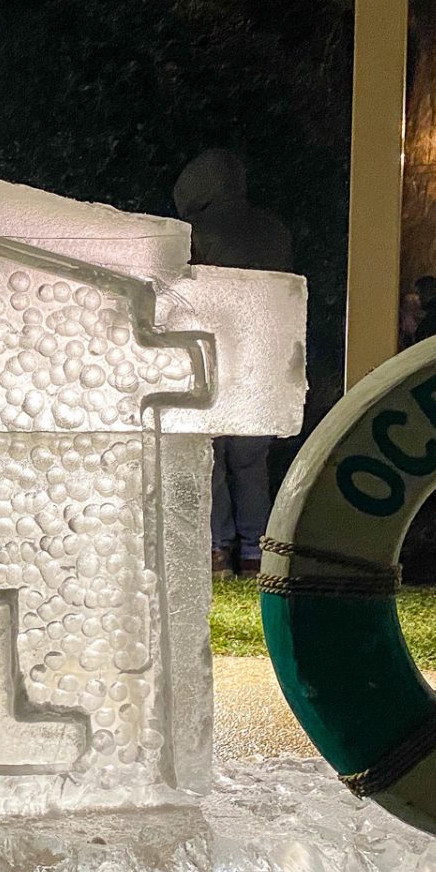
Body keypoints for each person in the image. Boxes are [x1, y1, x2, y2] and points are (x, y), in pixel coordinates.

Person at [172, 148, 293, 576]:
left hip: (215, 357)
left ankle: (216, 548)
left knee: (213, 458)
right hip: (266, 358)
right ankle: (258, 552)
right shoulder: (274, 230)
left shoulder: (194, 232)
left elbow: (184, 296)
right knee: (251, 461)